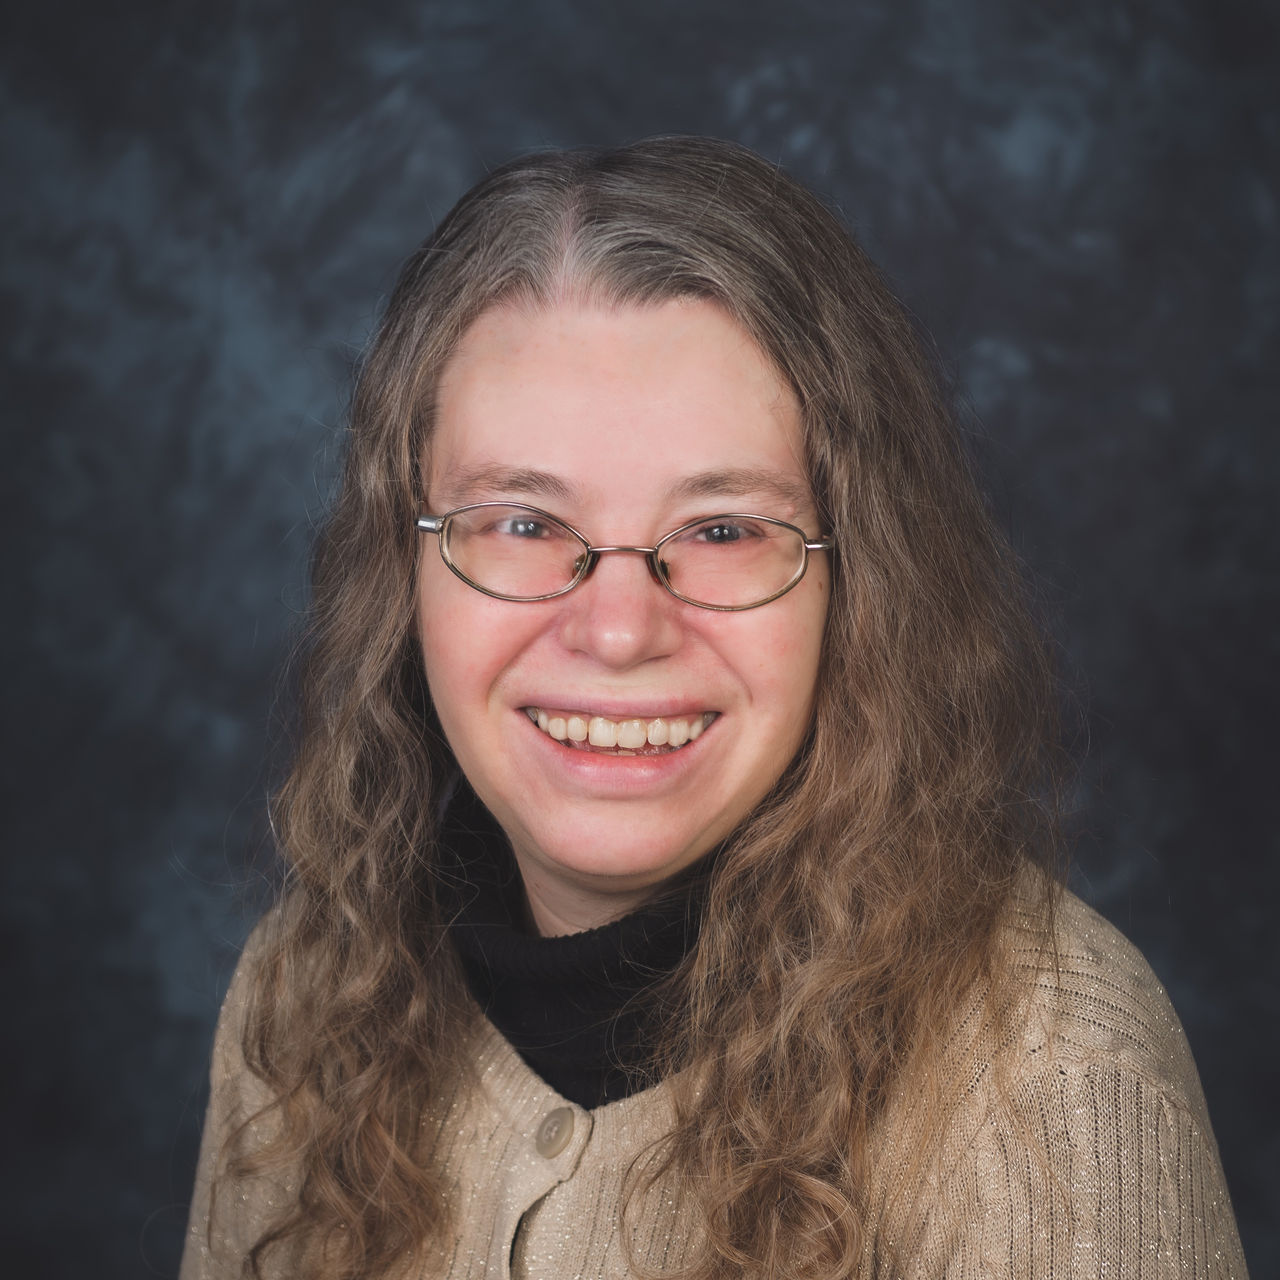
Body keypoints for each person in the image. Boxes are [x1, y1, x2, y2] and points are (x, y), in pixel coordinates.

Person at [180, 137, 1247, 1279]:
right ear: (404, 568)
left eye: (725, 530)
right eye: (523, 523)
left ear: (861, 582)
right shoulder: (309, 994)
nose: (617, 630)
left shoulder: (1057, 1081)